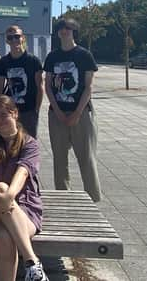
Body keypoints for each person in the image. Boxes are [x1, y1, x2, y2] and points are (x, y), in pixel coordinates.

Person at [0, 95, 47, 281]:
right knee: (0, 186)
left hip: (24, 208)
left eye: (3, 115)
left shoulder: (30, 143)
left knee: (4, 235)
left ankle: (30, 266)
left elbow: (22, 173)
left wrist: (10, 195)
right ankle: (32, 261)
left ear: (15, 114)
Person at [44, 18, 101, 202]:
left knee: (87, 159)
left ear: (74, 31)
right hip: (57, 113)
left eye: (68, 28)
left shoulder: (84, 55)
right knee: (59, 161)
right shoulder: (52, 57)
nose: (64, 31)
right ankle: (63, 198)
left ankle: (92, 200)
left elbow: (88, 87)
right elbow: (48, 86)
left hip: (82, 113)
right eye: (61, 28)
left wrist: (76, 114)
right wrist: (58, 112)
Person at [0, 25, 44, 139]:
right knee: (10, 141)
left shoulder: (33, 61)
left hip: (29, 111)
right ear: (7, 41)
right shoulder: (3, 62)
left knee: (29, 143)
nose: (14, 40)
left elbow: (40, 87)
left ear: (23, 38)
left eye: (17, 36)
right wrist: (0, 109)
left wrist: (36, 110)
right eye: (10, 38)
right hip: (10, 111)